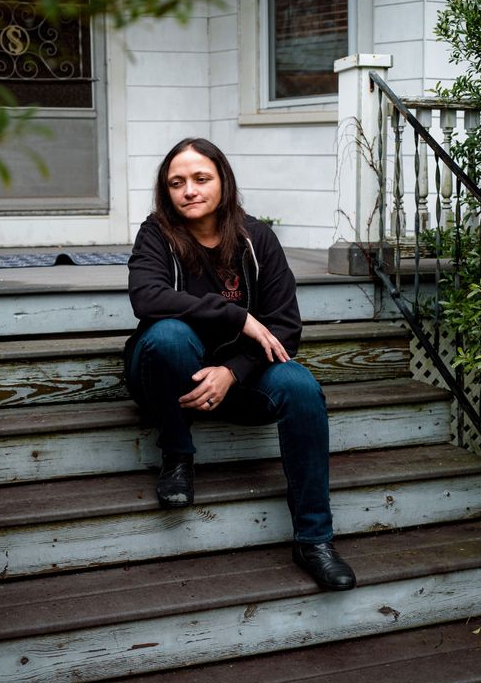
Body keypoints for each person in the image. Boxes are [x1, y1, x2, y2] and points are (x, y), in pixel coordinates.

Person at [123, 137, 356, 591]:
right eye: (177, 183)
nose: (189, 190)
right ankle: (177, 455)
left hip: (238, 377)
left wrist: (233, 371)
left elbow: (285, 327)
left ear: (223, 182)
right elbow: (145, 298)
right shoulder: (157, 233)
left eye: (200, 179)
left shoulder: (257, 238)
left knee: (300, 385)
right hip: (166, 376)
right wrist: (237, 315)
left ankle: (314, 539)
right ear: (165, 191)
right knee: (168, 334)